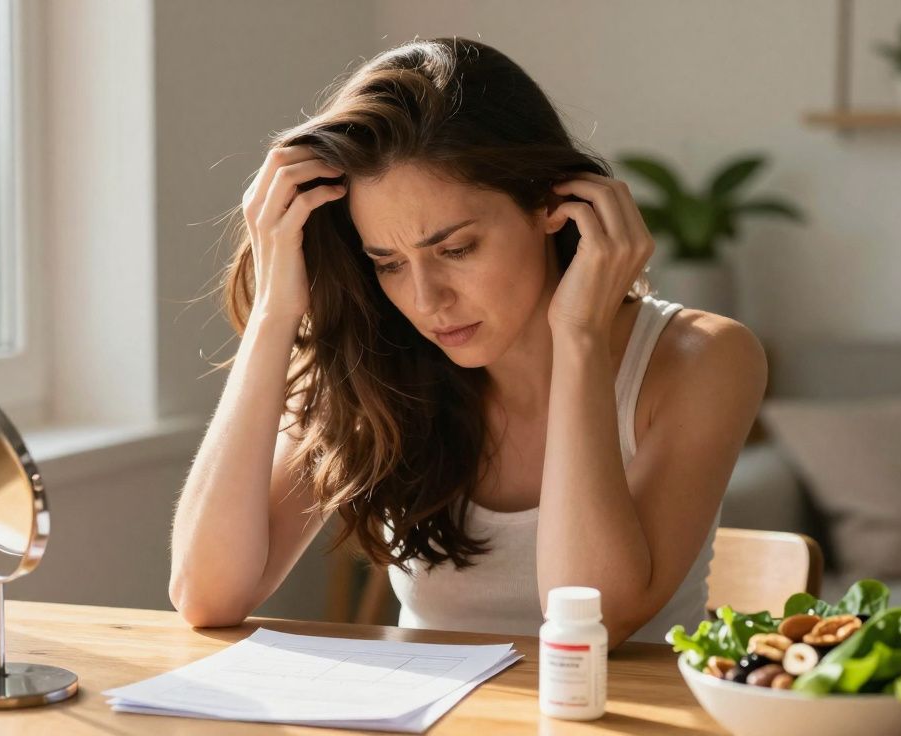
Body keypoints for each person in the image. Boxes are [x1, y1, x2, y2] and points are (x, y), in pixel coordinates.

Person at [168, 37, 767, 649]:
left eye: (455, 249)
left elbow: (596, 621)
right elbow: (207, 595)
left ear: (553, 205)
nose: (426, 302)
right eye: (388, 262)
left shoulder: (703, 359)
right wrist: (275, 311)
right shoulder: (370, 356)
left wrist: (580, 336)